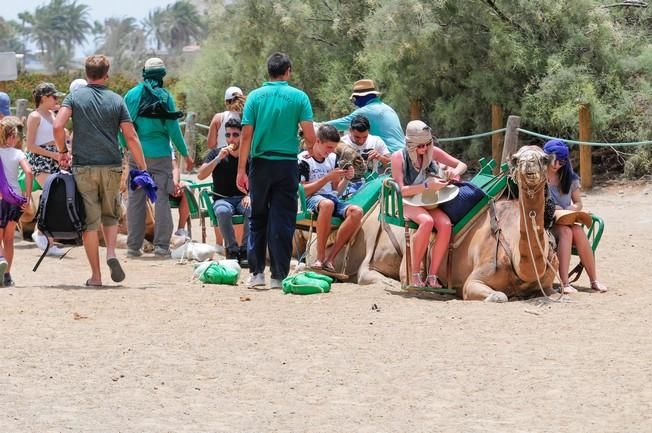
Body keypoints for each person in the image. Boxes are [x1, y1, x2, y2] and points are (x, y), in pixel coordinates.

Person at [54, 54, 147, 287]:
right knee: (110, 213)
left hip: (83, 166)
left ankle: (96, 276)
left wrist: (62, 151)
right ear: (107, 74)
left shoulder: (74, 97)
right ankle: (112, 253)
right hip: (112, 165)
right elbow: (130, 136)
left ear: (86, 74)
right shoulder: (116, 100)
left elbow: (58, 125)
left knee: (90, 222)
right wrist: (142, 166)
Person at [237, 52, 316, 289]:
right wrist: (309, 146)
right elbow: (310, 135)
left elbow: (246, 136)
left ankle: (256, 273)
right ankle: (278, 276)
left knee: (257, 218)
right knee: (282, 219)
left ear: (268, 72)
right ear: (288, 71)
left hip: (260, 164)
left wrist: (241, 169)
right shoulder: (299, 97)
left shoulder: (254, 98)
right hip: (286, 164)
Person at [122, 57, 193, 258]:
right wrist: (185, 154)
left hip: (137, 155)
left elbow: (122, 127)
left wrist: (126, 146)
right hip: (161, 155)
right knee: (161, 199)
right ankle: (162, 246)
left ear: (144, 73)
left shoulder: (131, 95)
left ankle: (133, 247)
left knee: (136, 200)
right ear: (162, 75)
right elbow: (173, 130)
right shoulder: (165, 97)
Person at [390, 120, 467, 288]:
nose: (424, 149)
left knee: (446, 225)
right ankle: (415, 273)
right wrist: (426, 186)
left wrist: (454, 172)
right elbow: (401, 190)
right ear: (410, 144)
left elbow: (461, 165)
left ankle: (432, 276)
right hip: (408, 201)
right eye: (420, 146)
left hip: (430, 200)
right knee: (427, 221)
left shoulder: (433, 151)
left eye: (427, 144)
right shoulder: (398, 157)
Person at [543, 139, 607, 294]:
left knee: (576, 230)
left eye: (561, 162)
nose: (557, 165)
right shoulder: (539, 177)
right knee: (567, 231)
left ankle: (594, 280)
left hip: (566, 219)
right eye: (554, 161)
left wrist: (573, 208)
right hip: (546, 222)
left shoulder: (569, 178)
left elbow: (578, 202)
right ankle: (564, 283)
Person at [299, 124, 362, 272]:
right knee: (327, 204)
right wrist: (326, 178)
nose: (331, 151)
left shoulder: (333, 158)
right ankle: (320, 258)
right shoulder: (303, 159)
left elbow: (336, 191)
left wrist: (347, 178)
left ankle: (330, 259)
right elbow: (303, 191)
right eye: (328, 147)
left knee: (357, 212)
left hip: (330, 199)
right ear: (318, 141)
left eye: (333, 147)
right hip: (312, 199)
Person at [198, 118, 249, 266]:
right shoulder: (216, 153)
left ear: (241, 135)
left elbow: (257, 179)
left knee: (251, 209)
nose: (231, 139)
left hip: (242, 198)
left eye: (235, 134)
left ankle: (245, 250)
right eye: (228, 135)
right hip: (222, 199)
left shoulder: (248, 155)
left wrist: (250, 196)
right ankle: (232, 250)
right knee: (222, 211)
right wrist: (217, 159)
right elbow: (201, 175)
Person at [25, 82, 67, 257]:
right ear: (44, 98)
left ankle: (45, 236)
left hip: (54, 157)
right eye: (53, 97)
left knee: (55, 196)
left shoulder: (52, 114)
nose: (56, 100)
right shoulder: (34, 116)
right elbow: (30, 145)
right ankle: (41, 233)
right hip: (41, 159)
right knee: (53, 194)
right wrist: (54, 155)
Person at [205, 86, 246, 249]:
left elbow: (210, 143)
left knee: (221, 201)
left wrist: (220, 150)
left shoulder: (218, 117)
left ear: (225, 101)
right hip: (242, 158)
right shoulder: (246, 117)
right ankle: (240, 245)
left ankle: (220, 244)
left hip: (222, 158)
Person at [327, 79, 404, 153]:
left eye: (355, 99)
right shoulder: (388, 108)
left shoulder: (365, 111)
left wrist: (318, 125)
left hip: (388, 155)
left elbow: (339, 124)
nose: (355, 103)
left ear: (361, 97)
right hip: (404, 154)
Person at [0, 119, 33, 287]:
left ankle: (0, 260)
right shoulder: (18, 154)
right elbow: (28, 172)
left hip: (0, 198)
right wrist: (27, 197)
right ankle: (6, 275)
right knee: (9, 239)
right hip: (14, 199)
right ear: (12, 137)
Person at [170, 152, 190, 238]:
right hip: (157, 185)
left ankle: (180, 229)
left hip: (171, 183)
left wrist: (175, 184)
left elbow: (175, 168)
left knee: (187, 189)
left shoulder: (167, 147)